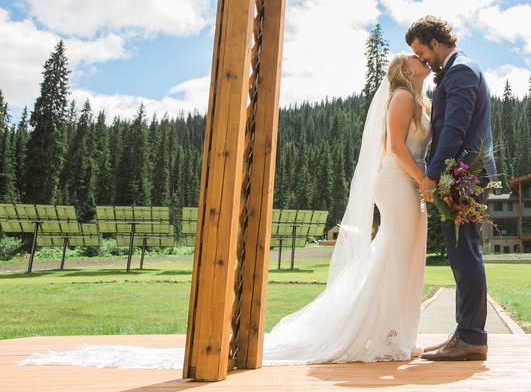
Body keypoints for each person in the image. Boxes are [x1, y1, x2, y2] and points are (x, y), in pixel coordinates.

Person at [18, 53, 433, 369]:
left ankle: (394, 332)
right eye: (417, 56)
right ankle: (388, 335)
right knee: (394, 257)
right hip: (399, 185)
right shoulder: (399, 96)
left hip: (410, 185)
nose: (423, 59)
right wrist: (424, 180)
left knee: (400, 257)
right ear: (405, 68)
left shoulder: (419, 99)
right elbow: (396, 148)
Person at [406, 15, 495, 362]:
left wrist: (432, 174)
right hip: (461, 173)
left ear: (434, 41)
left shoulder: (459, 71)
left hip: (462, 175)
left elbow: (454, 130)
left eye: (420, 50)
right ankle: (466, 332)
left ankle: (472, 337)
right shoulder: (461, 68)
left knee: (465, 254)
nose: (421, 58)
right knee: (463, 252)